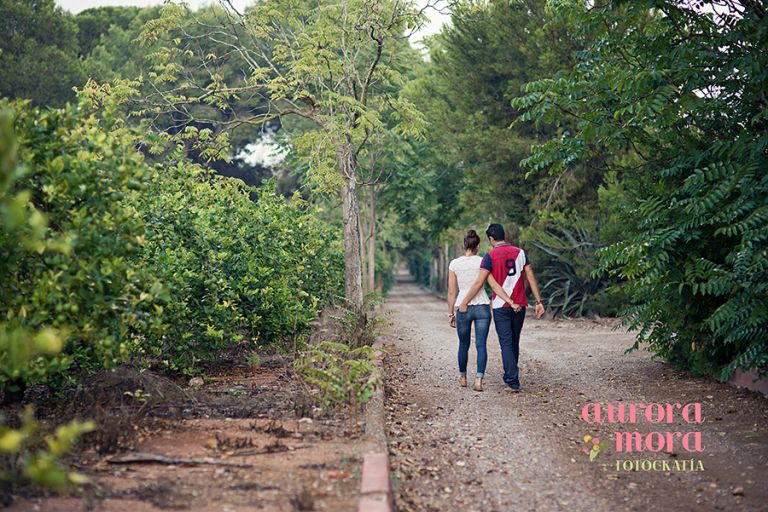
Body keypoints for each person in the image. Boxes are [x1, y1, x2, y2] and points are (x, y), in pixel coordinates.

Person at [458, 223, 545, 392]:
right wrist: (538, 301)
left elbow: (479, 282)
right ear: (504, 235)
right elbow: (530, 276)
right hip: (520, 303)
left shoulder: (489, 257)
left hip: (500, 305)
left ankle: (512, 380)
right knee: (514, 341)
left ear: (491, 239)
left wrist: (465, 301)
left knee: (505, 342)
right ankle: (510, 375)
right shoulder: (520, 253)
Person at [447, 229, 520, 392]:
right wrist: (510, 301)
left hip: (463, 308)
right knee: (481, 345)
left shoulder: (454, 264)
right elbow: (494, 285)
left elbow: (452, 291)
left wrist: (451, 312)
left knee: (463, 344)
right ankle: (479, 379)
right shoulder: (483, 261)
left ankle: (463, 377)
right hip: (482, 307)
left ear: (464, 244)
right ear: (478, 245)